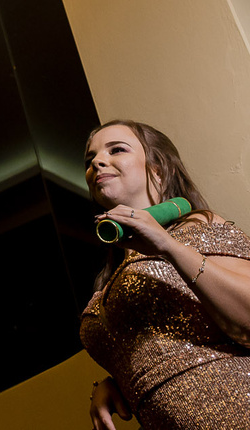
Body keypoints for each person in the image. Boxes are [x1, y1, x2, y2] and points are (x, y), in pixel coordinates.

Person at [81, 121, 250, 429]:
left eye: (116, 150)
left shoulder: (197, 226)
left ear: (157, 170)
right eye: (90, 159)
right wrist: (116, 383)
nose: (97, 163)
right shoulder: (109, 278)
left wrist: (168, 246)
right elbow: (163, 346)